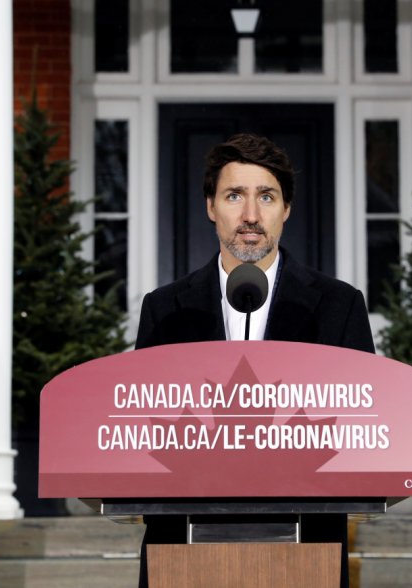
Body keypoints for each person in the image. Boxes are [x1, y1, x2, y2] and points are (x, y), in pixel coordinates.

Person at [135, 133, 375, 588]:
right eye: (234, 196)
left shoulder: (339, 306)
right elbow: (146, 434)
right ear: (210, 206)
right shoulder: (164, 308)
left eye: (266, 196)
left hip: (305, 552)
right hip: (182, 552)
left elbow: (360, 431)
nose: (250, 215)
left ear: (286, 209)